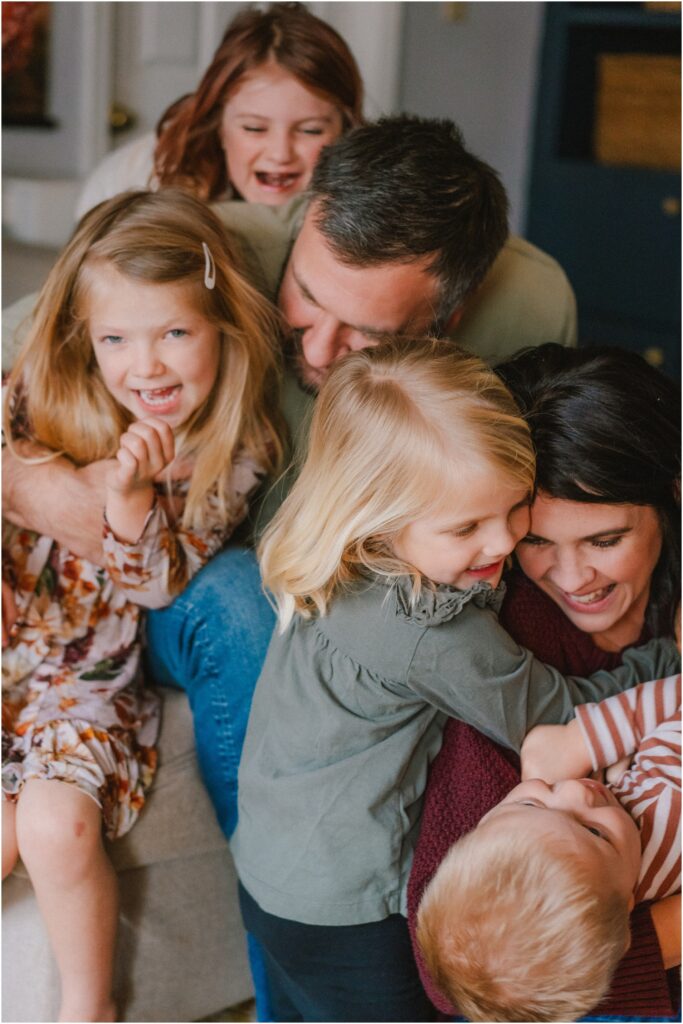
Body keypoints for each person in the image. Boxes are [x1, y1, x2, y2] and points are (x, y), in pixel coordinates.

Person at [3, 117, 579, 838]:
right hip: (169, 576)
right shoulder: (212, 249)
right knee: (239, 595)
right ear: (308, 213)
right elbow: (34, 357)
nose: (318, 343)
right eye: (307, 296)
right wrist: (36, 489)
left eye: (366, 335)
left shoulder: (532, 304)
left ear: (446, 317)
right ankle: (274, 885)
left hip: (343, 588)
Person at [229, 337, 678, 1022]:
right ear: (378, 517)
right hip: (344, 906)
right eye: (471, 527)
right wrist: (666, 661)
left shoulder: (363, 562)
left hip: (270, 869)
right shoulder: (433, 636)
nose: (501, 548)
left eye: (510, 514)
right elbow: (555, 718)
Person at [1, 189, 282, 1023]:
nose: (146, 367)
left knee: (53, 825)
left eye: (173, 334)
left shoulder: (237, 447)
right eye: (117, 339)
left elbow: (157, 584)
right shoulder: (42, 395)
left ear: (221, 325)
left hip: (80, 681)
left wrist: (126, 500)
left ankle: (90, 1010)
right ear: (85, 338)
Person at [408, 343, 681, 1019]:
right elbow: (450, 977)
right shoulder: (505, 650)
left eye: (604, 540)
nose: (571, 578)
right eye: (536, 542)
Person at [416, 674, 681, 1023]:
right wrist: (580, 740)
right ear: (627, 906)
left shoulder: (609, 874)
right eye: (595, 832)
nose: (574, 790)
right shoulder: (668, 807)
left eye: (530, 806)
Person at [75, 2, 362, 218]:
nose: (280, 154)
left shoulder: (366, 205)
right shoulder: (132, 182)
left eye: (310, 130)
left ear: (345, 130)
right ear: (219, 125)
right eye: (254, 128)